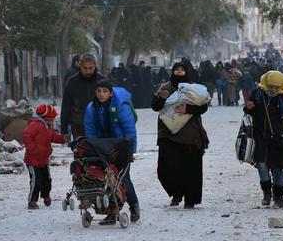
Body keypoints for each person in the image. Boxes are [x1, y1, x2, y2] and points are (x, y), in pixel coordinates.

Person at [152, 63, 209, 209]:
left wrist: (188, 108)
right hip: (168, 134)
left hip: (190, 134)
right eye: (177, 69)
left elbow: (203, 107)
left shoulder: (193, 88)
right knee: (166, 169)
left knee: (190, 168)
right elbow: (155, 106)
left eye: (182, 69)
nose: (179, 71)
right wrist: (161, 99)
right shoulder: (164, 88)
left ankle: (190, 199)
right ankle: (176, 193)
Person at [84, 79, 140, 223]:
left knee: (122, 179)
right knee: (104, 180)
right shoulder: (91, 108)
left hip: (121, 147)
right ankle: (111, 212)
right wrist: (92, 150)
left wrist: (130, 152)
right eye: (98, 91)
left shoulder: (120, 106)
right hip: (102, 148)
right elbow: (90, 132)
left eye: (104, 91)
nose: (101, 95)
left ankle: (134, 205)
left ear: (110, 93)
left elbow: (129, 130)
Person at [243, 71, 283, 209]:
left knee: (277, 168)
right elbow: (249, 111)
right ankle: (266, 193)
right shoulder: (258, 93)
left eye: (276, 87)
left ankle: (278, 197)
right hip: (260, 136)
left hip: (279, 139)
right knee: (261, 165)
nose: (273, 90)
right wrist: (248, 107)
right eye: (271, 86)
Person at [23, 104, 66, 209]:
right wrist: (32, 149)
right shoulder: (35, 125)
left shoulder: (48, 127)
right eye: (52, 118)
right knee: (36, 181)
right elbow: (26, 135)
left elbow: (53, 137)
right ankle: (32, 201)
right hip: (33, 159)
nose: (53, 121)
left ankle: (46, 195)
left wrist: (63, 139)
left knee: (47, 179)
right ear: (46, 118)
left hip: (44, 159)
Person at [61, 53, 106, 141]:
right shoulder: (72, 82)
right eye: (85, 68)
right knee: (81, 152)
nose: (88, 71)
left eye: (90, 68)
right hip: (78, 125)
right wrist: (64, 130)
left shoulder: (103, 80)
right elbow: (66, 106)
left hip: (99, 125)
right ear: (80, 66)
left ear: (95, 66)